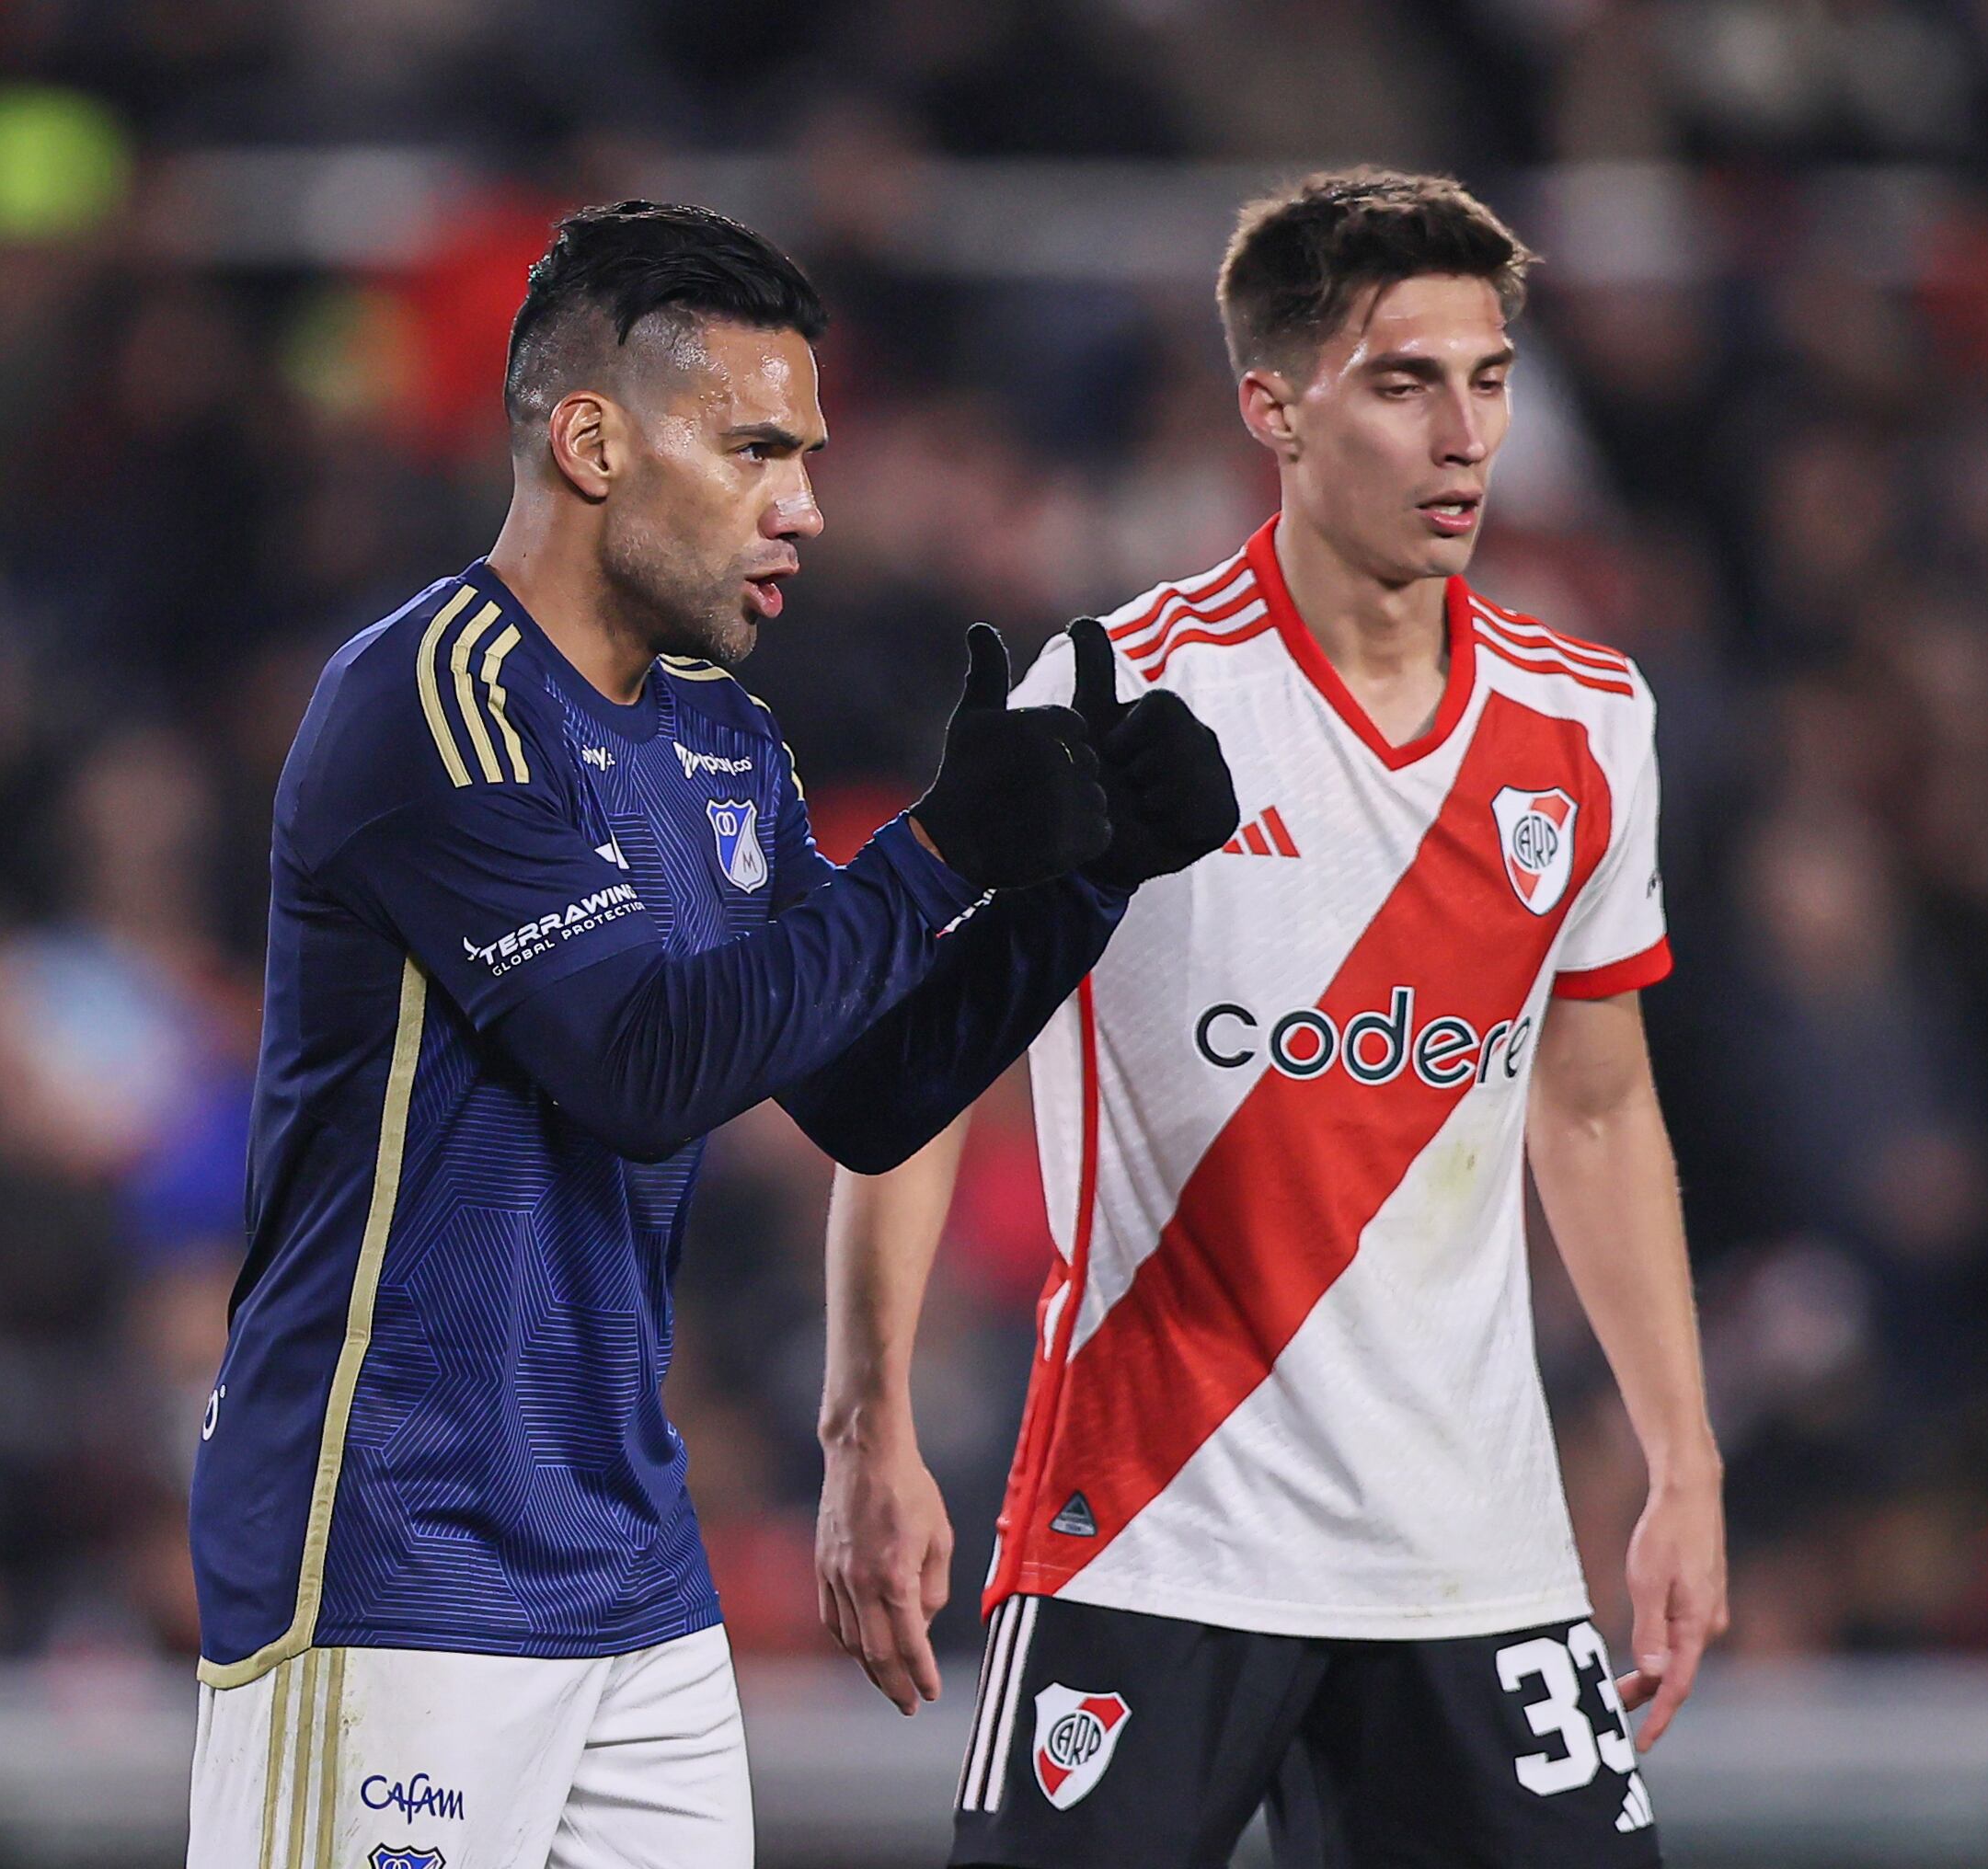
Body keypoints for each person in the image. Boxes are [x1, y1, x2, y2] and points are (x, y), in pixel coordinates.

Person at [182, 199, 1236, 1869]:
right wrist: (944, 849)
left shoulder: (721, 739)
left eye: (808, 453)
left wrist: (1079, 885)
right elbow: (648, 1068)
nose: (803, 505)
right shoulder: (428, 704)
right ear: (590, 440)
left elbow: (866, 1092)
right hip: (396, 1548)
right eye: (756, 447)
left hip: (631, 1562)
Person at [815, 169, 1728, 1867]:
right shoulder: (1105, 703)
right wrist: (866, 1420)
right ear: (1274, 411)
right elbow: (921, 1079)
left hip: (1475, 1555)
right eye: (1403, 383)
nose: (1467, 434)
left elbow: (1594, 1109)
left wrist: (1682, 1460)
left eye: (1492, 376)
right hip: (1152, 1535)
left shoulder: (1591, 720)